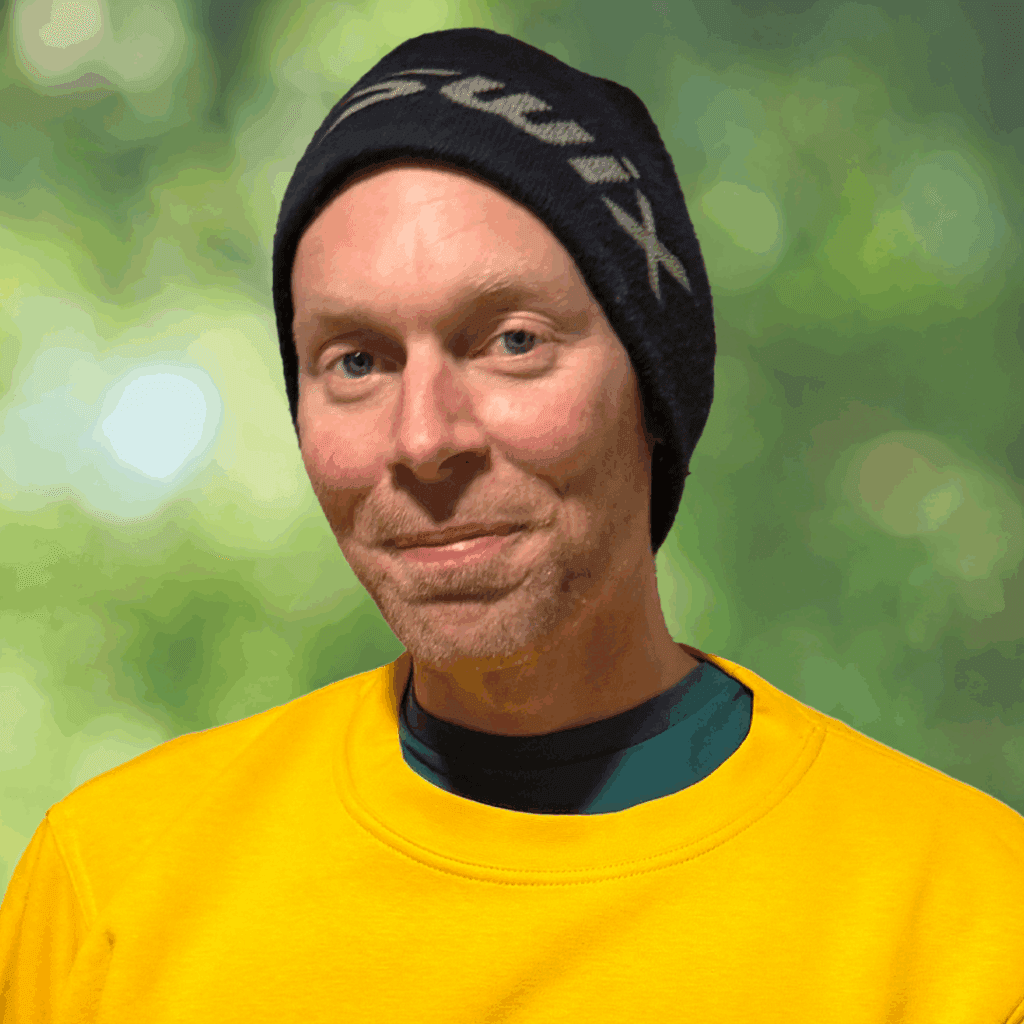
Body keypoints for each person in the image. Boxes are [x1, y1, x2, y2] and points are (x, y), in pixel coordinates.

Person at [2, 27, 1022, 1024]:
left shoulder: (971, 920)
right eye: (355, 361)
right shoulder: (110, 892)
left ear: (652, 386)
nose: (423, 438)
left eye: (512, 342)